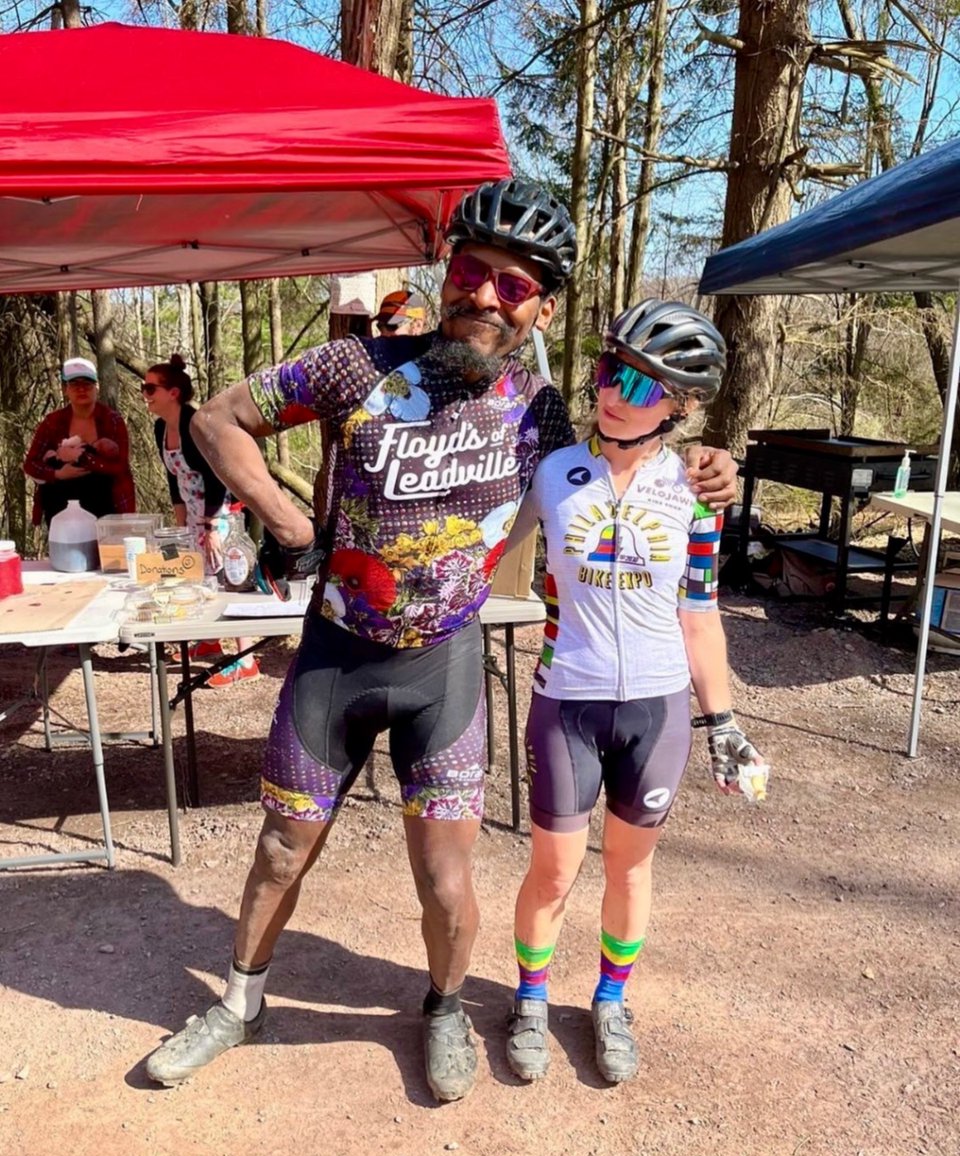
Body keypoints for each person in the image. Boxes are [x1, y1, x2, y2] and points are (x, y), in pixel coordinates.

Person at [143, 179, 739, 1101]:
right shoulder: (357, 368)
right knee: (276, 851)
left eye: (514, 285)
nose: (485, 294)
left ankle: (446, 1007)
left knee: (447, 878)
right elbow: (219, 419)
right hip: (337, 655)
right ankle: (239, 1004)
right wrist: (288, 523)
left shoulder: (541, 412)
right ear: (443, 270)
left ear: (541, 306)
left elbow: (626, 454)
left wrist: (713, 465)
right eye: (471, 271)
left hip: (445, 667)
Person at [501, 300, 765, 1085]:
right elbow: (483, 550)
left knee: (629, 869)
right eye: (610, 371)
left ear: (680, 406)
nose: (615, 393)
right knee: (552, 868)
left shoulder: (695, 493)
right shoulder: (552, 471)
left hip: (656, 711)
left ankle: (611, 1002)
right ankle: (530, 999)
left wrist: (723, 721)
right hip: (567, 700)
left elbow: (701, 615)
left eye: (643, 386)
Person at [144, 354, 259, 687]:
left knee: (228, 577)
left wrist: (210, 527)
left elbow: (215, 478)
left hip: (220, 510)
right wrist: (181, 529)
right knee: (198, 575)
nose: (146, 394)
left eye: (151, 388)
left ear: (173, 392)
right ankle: (208, 638)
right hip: (193, 514)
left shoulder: (198, 425)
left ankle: (245, 659)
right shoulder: (160, 427)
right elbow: (172, 478)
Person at [23, 357, 135, 527]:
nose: (82, 389)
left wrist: (81, 457)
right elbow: (30, 464)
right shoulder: (52, 422)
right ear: (65, 389)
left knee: (107, 553)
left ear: (96, 387)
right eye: (75, 384)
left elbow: (120, 467)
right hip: (60, 508)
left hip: (106, 506)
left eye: (87, 384)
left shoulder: (112, 420)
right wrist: (58, 474)